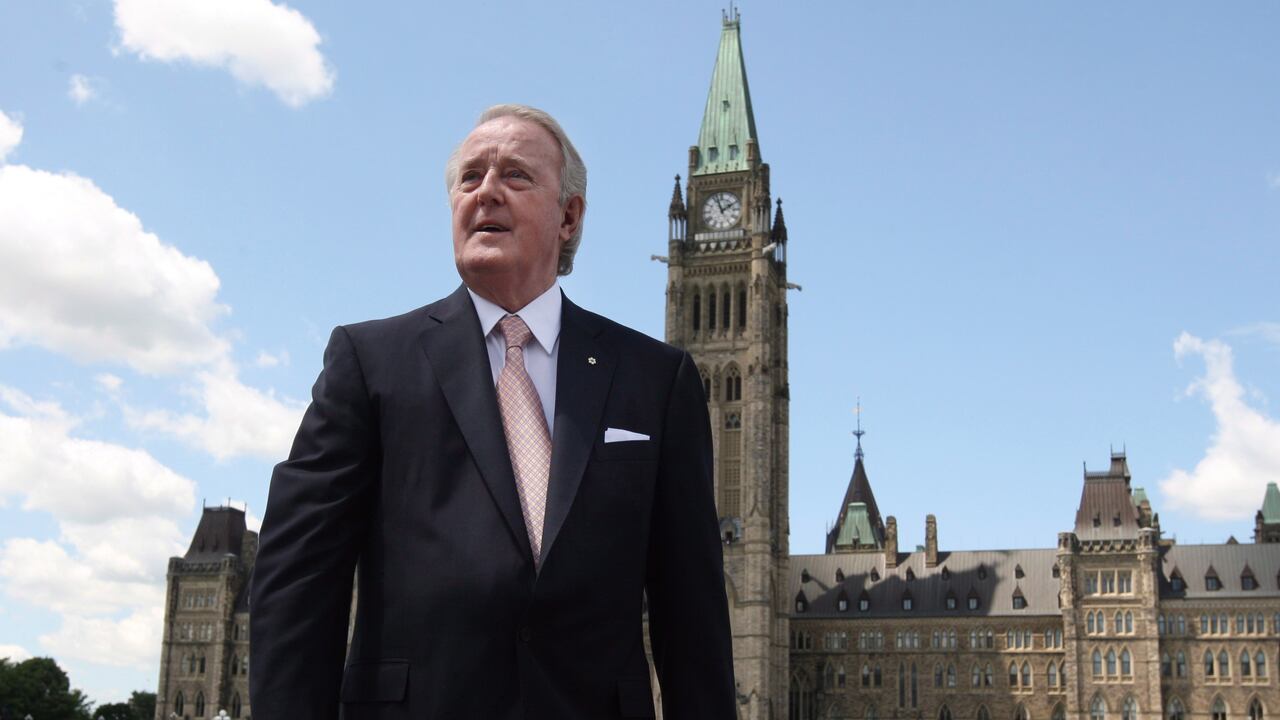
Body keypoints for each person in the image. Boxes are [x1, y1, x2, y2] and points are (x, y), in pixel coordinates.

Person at [249, 104, 736, 719]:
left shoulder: (657, 379)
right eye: (470, 177)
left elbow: (692, 614)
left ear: (569, 217)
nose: (486, 192)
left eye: (515, 175)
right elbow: (297, 580)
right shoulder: (369, 362)